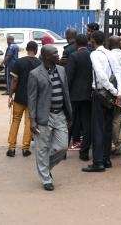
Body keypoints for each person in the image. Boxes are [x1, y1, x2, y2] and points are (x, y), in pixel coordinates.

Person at [27, 45, 72, 191]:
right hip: (44, 116)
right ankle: (46, 178)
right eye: (55, 53)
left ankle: (45, 168)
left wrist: (69, 114)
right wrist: (32, 120)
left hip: (60, 114)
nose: (58, 55)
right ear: (46, 56)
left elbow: (65, 93)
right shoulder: (35, 74)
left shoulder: (62, 70)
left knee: (62, 147)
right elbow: (32, 99)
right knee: (42, 148)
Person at [83, 31, 121, 172]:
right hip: (111, 96)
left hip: (101, 94)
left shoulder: (94, 54)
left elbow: (101, 76)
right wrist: (119, 93)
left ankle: (98, 162)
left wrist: (113, 91)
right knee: (107, 128)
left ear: (93, 41)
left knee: (98, 129)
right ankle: (106, 160)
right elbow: (118, 73)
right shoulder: (110, 53)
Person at [7, 41, 41, 157]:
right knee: (29, 123)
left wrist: (10, 95)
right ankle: (25, 148)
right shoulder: (39, 64)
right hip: (33, 100)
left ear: (27, 49)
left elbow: (14, 81)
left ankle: (11, 148)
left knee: (15, 120)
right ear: (36, 50)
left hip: (19, 98)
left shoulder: (18, 62)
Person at [65, 34, 93, 160]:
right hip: (88, 95)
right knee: (87, 123)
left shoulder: (74, 56)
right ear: (87, 42)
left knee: (70, 122)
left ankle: (63, 151)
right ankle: (84, 153)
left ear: (76, 44)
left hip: (74, 95)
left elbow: (68, 77)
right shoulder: (92, 55)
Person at [108, 35, 121, 156]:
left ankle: (107, 143)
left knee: (106, 117)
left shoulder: (107, 55)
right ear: (120, 44)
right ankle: (115, 143)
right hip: (120, 92)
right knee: (117, 118)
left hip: (107, 91)